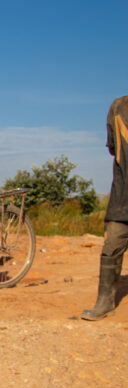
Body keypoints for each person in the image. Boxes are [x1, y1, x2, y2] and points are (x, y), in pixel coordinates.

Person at [81, 96, 128, 320]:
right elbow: (113, 147)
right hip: (123, 194)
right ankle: (105, 301)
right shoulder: (118, 107)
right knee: (112, 246)